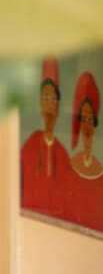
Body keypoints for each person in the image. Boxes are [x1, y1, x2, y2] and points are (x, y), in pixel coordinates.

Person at [19, 58, 72, 219]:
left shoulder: (63, 154)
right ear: (41, 102)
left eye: (54, 99)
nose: (50, 105)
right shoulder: (31, 144)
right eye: (46, 98)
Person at [66, 70, 103, 237]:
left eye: (90, 119)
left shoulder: (102, 177)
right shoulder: (70, 168)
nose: (87, 126)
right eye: (83, 119)